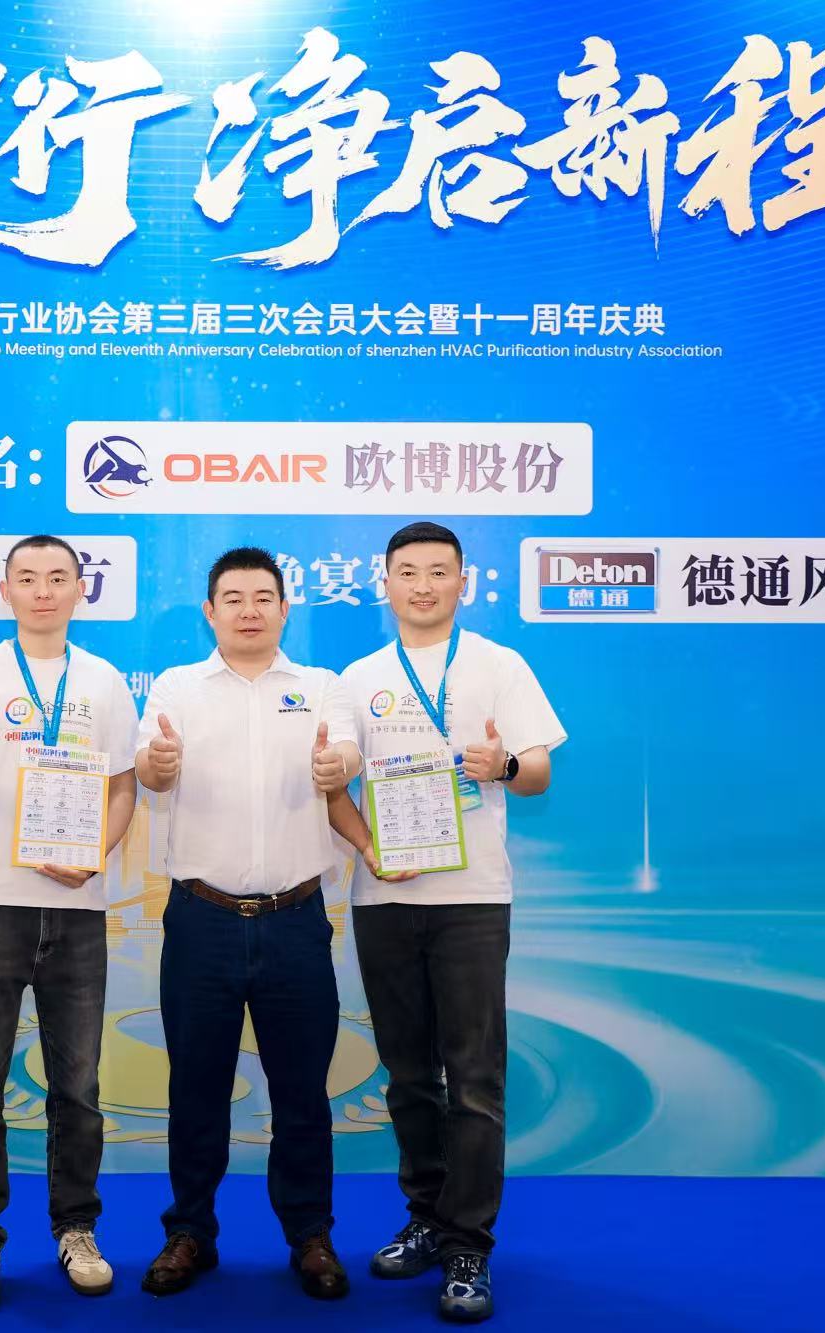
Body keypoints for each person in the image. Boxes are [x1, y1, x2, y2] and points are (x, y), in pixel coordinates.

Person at [326, 521, 566, 1324]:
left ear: (464, 581)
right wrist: (346, 798)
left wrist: (503, 764)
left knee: (475, 1079)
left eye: (438, 571)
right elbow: (339, 774)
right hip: (386, 897)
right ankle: (426, 1217)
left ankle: (470, 1244)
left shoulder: (500, 664)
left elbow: (538, 771)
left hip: (471, 900)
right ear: (385, 583)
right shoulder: (358, 677)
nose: (423, 585)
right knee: (407, 1077)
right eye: (408, 572)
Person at [133, 546, 362, 1301]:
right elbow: (149, 766)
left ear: (284, 608)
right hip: (201, 920)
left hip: (296, 920)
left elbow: (345, 753)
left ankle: (311, 1235)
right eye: (233, 598)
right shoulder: (176, 687)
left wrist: (338, 767)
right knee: (196, 1089)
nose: (249, 610)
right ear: (211, 611)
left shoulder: (321, 687)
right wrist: (159, 764)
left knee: (303, 1093)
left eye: (263, 597)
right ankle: (188, 1232)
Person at [0, 534, 139, 1314]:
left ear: (81, 589)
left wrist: (95, 856)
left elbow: (124, 790)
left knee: (78, 1087)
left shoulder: (104, 681)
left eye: (57, 577)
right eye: (27, 578)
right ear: (5, 590)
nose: (43, 590)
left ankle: (77, 1228)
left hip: (77, 911)